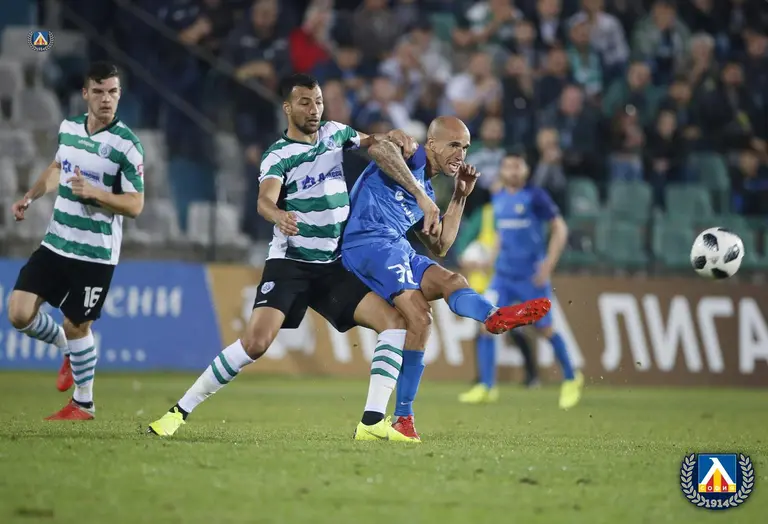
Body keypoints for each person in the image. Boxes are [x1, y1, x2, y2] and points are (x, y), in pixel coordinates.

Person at [147, 74, 432, 441]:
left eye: (318, 102)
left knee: (393, 322)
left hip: (331, 265)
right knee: (256, 343)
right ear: (287, 108)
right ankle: (178, 412)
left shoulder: (335, 133)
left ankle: (371, 423)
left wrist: (392, 136)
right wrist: (279, 215)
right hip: (291, 263)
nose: (314, 110)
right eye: (304, 103)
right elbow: (264, 200)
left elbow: (372, 142)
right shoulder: (278, 155)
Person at [342, 116, 551, 442]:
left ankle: (492, 317)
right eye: (453, 145)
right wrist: (421, 198)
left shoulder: (427, 187)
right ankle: (401, 417)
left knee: (451, 282)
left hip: (396, 246)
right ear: (432, 144)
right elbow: (379, 149)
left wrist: (460, 196)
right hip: (367, 243)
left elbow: (440, 245)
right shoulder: (411, 154)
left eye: (465, 147)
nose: (460, 154)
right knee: (418, 315)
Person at [7, 62, 145, 420]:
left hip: (95, 253)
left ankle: (83, 403)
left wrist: (95, 193)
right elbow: (58, 168)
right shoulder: (68, 128)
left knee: (77, 325)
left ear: (119, 94)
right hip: (56, 242)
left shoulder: (127, 146)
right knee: (18, 312)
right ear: (85, 94)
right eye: (98, 92)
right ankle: (66, 349)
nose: (106, 99)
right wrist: (30, 196)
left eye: (112, 92)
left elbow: (135, 205)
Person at [458, 155, 583, 409]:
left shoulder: (536, 197)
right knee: (486, 325)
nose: (513, 171)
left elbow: (560, 228)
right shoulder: (499, 197)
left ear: (526, 169)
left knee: (545, 329)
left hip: (530, 277)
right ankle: (487, 387)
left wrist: (548, 264)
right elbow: (502, 235)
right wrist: (490, 260)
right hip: (502, 276)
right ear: (502, 170)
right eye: (508, 166)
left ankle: (571, 378)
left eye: (517, 166)